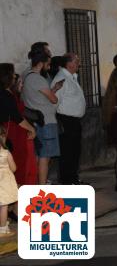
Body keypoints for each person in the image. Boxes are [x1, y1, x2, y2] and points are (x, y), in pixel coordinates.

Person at [22, 51, 63, 185]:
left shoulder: (27, 76)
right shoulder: (37, 78)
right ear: (41, 63)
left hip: (37, 121)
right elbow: (52, 99)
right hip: (46, 122)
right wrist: (54, 94)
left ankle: (39, 184)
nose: (49, 67)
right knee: (45, 157)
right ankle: (42, 187)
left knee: (40, 155)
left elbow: (42, 96)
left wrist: (54, 89)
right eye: (48, 64)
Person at [52, 53, 86, 185]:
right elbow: (55, 101)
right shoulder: (61, 79)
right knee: (67, 152)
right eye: (77, 61)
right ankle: (67, 181)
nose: (79, 64)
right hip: (66, 120)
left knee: (75, 151)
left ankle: (73, 179)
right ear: (69, 63)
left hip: (74, 121)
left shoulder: (71, 77)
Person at [0, 66, 36, 185]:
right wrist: (32, 129)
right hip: (11, 132)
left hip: (9, 130)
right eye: (13, 74)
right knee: (16, 162)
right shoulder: (6, 95)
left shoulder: (6, 94)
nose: (15, 76)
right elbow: (17, 117)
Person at [0, 125, 18, 238]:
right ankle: (2, 229)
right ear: (2, 137)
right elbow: (14, 168)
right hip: (4, 182)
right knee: (4, 205)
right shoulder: (6, 153)